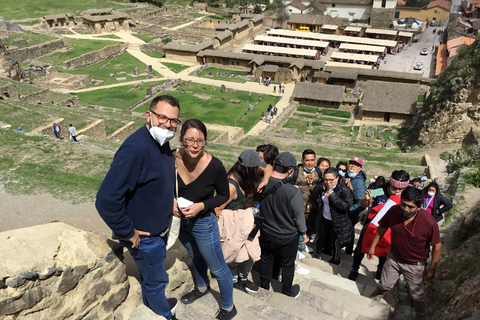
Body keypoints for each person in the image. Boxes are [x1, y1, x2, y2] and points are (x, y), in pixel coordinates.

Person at [96, 94, 181, 319]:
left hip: (158, 230)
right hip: (145, 237)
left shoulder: (160, 142)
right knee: (156, 281)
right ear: (148, 115)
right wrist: (127, 231)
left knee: (151, 279)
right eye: (162, 117)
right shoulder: (135, 149)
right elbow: (106, 199)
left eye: (173, 121)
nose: (168, 124)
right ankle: (165, 315)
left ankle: (151, 308)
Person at [174, 119, 236, 320]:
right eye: (189, 139)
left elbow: (224, 195)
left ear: (205, 141)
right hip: (182, 222)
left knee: (218, 267)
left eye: (199, 141)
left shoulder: (215, 166)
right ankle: (201, 288)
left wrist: (202, 206)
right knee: (195, 256)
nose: (194, 145)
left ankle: (228, 307)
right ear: (181, 139)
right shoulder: (172, 158)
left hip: (203, 223)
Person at [368, 187, 441, 319]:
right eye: (403, 204)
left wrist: (432, 268)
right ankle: (371, 301)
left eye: (410, 207)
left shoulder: (429, 223)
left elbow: (437, 245)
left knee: (417, 295)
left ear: (419, 207)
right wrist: (372, 247)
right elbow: (382, 228)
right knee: (384, 285)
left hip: (415, 265)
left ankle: (422, 316)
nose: (405, 209)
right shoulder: (394, 211)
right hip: (394, 258)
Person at [215, 149, 265, 294]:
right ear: (248, 169)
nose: (258, 170)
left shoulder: (247, 179)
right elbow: (217, 210)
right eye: (256, 167)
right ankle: (234, 280)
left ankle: (243, 278)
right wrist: (243, 217)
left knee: (249, 254)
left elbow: (268, 170)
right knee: (234, 256)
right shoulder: (231, 186)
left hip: (248, 226)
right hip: (234, 228)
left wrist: (266, 179)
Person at [259, 152, 307, 298]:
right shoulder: (292, 191)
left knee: (266, 259)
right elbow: (298, 216)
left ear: (274, 164)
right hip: (287, 235)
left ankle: (264, 285)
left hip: (266, 230)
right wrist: (303, 232)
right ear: (290, 170)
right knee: (287, 265)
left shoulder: (263, 182)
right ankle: (287, 291)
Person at [348, 170, 410, 281]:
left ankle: (380, 269)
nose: (397, 191)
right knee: (361, 247)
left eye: (400, 189)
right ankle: (355, 268)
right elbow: (364, 204)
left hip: (389, 229)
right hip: (370, 227)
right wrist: (366, 200)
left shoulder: (405, 196)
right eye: (394, 187)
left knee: (384, 251)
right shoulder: (379, 190)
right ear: (390, 183)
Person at [313, 167, 354, 265]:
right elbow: (314, 195)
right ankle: (317, 254)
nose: (328, 182)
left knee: (335, 241)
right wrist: (319, 188)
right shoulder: (323, 186)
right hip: (324, 218)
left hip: (337, 221)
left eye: (331, 180)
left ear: (337, 178)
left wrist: (333, 197)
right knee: (321, 237)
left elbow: (346, 206)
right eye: (326, 179)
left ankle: (336, 260)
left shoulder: (344, 189)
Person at [291, 149, 323, 241]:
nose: (310, 163)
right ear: (302, 160)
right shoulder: (295, 172)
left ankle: (304, 245)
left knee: (309, 228)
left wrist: (346, 180)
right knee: (296, 229)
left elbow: (333, 177)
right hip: (298, 210)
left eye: (312, 160)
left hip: (313, 209)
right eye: (307, 160)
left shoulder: (319, 172)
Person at [344, 157, 367, 255]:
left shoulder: (358, 182)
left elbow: (360, 202)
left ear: (360, 168)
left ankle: (348, 251)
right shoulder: (349, 177)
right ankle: (348, 250)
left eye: (356, 165)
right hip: (349, 210)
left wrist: (349, 210)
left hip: (352, 212)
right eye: (351, 163)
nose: (353, 166)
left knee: (349, 230)